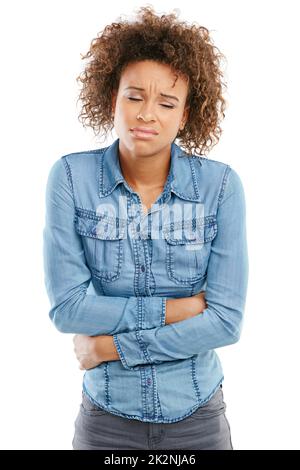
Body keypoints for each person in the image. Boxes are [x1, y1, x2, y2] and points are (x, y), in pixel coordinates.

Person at [43, 5, 248, 450]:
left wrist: (111, 348)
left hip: (198, 421)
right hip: (105, 423)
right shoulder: (71, 179)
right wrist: (179, 310)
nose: (146, 114)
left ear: (186, 114)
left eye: (167, 102)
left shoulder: (222, 187)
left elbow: (226, 322)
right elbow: (69, 310)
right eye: (134, 96)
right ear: (110, 97)